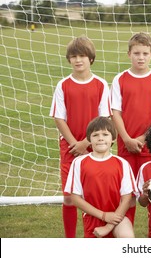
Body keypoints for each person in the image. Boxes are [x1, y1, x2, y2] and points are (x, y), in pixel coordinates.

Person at [49, 36, 112, 238]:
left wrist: (86, 142)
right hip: (69, 147)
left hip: (96, 146)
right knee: (69, 197)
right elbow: (59, 118)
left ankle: (96, 234)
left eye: (82, 56)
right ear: (69, 60)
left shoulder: (101, 84)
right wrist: (75, 144)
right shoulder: (63, 85)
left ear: (91, 59)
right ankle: (70, 240)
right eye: (73, 56)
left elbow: (104, 117)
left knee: (94, 196)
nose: (78, 60)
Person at [111, 32, 151, 223]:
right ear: (129, 53)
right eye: (137, 53)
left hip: (149, 146)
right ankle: (125, 232)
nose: (141, 57)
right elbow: (115, 112)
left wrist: (142, 138)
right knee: (127, 194)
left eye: (145, 53)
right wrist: (128, 139)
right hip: (126, 147)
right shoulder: (119, 79)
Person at [64, 117, 137, 238]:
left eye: (105, 134)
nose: (100, 138)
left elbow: (127, 199)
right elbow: (75, 199)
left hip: (118, 218)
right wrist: (103, 215)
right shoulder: (79, 163)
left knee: (127, 236)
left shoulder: (122, 163)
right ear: (89, 139)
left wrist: (109, 225)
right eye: (95, 135)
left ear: (113, 138)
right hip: (93, 220)